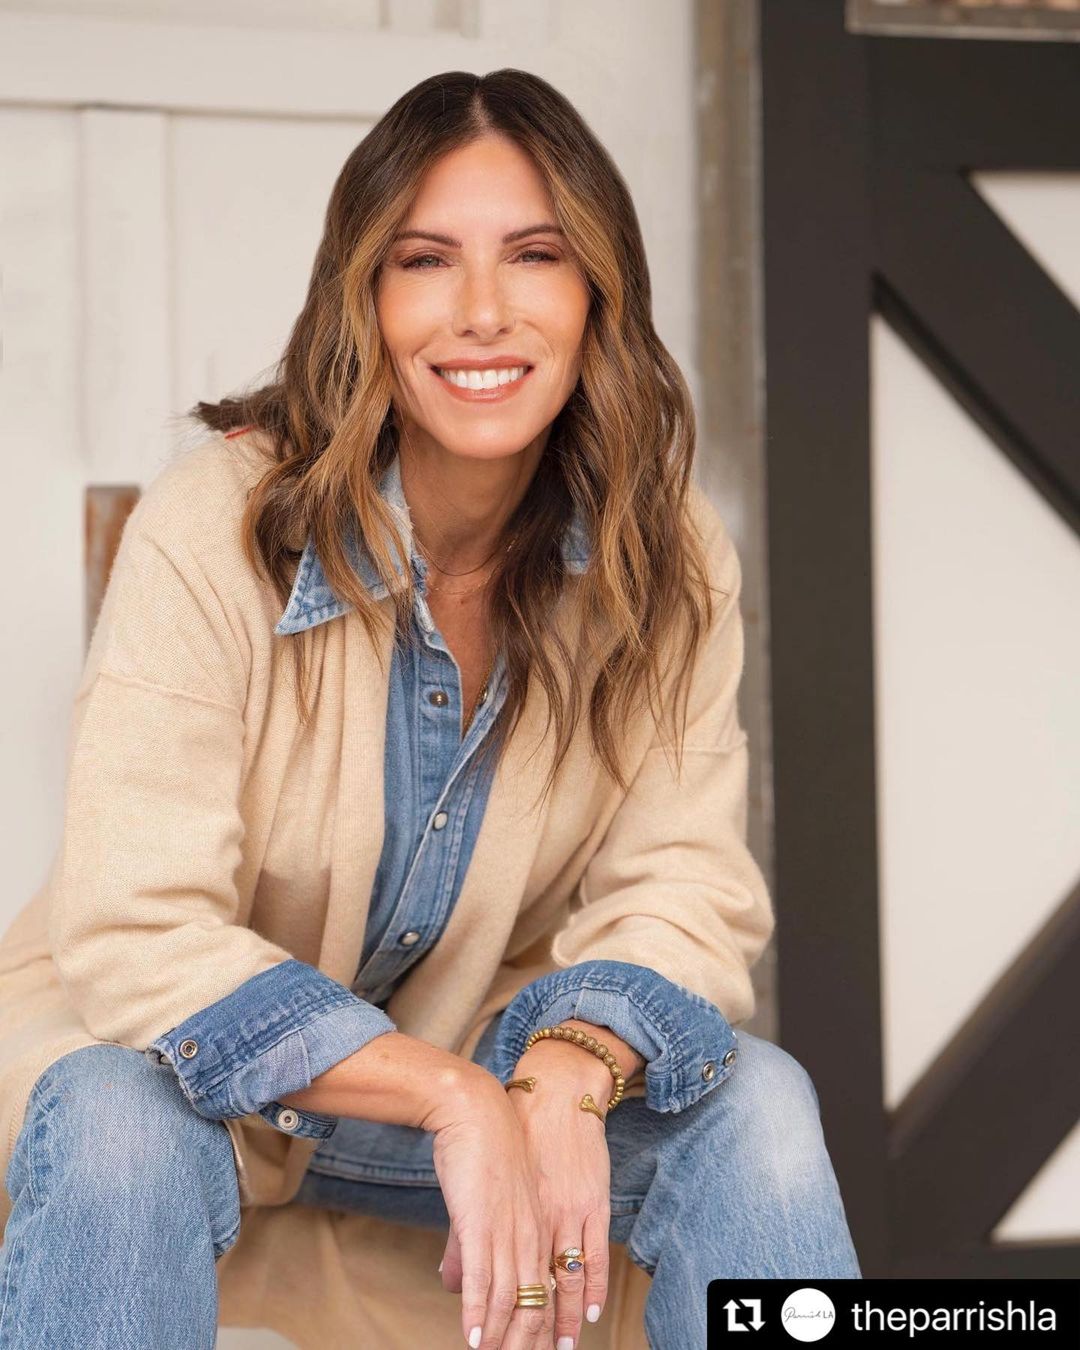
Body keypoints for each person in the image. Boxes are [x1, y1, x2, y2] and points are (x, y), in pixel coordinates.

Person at [0, 69, 860, 1350]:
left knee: (758, 1109)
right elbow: (136, 928)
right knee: (119, 1123)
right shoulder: (214, 525)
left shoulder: (666, 557)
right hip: (173, 1073)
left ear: (598, 292)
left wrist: (565, 1075)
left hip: (477, 1070)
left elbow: (686, 886)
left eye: (535, 256)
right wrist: (451, 1096)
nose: (482, 312)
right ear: (364, 297)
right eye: (424, 261)